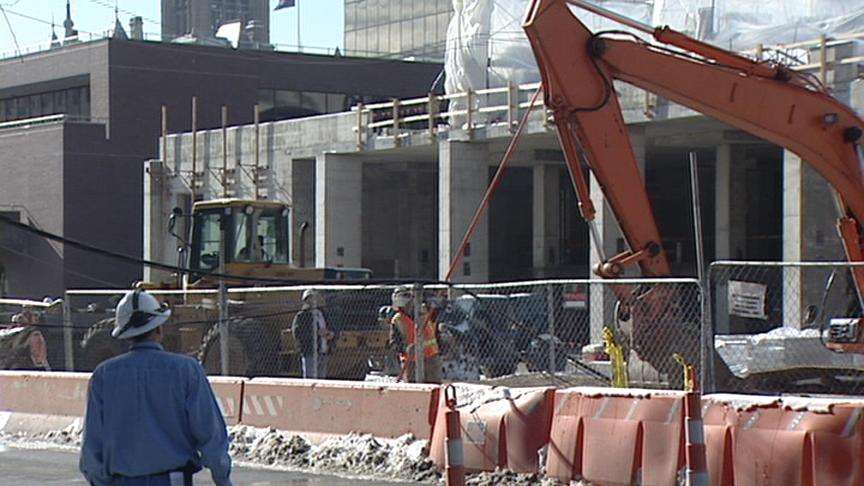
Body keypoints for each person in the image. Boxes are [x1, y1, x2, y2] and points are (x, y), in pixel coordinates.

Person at [79, 288, 232, 486]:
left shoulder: (104, 376)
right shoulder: (186, 370)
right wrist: (223, 479)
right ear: (159, 329)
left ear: (125, 334)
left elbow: (91, 452)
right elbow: (211, 434)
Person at [389, 285, 442, 384]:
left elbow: (435, 327)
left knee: (434, 387)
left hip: (431, 357)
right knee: (414, 387)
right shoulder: (397, 319)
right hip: (411, 361)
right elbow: (394, 343)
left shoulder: (424, 311)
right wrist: (405, 350)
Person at [291, 289, 333, 379]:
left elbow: (332, 327)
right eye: (309, 298)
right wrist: (316, 333)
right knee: (310, 381)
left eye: (314, 297)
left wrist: (330, 334)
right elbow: (297, 333)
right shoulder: (302, 316)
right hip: (310, 354)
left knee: (321, 382)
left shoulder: (323, 313)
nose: (313, 300)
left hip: (323, 352)